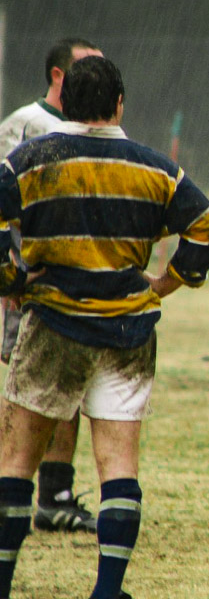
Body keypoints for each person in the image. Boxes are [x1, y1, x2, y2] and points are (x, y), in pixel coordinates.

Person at [0, 55, 209, 599]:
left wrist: (12, 281)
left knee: (17, 460)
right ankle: (107, 591)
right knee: (118, 463)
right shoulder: (154, 168)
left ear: (64, 100)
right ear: (119, 104)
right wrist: (165, 284)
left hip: (53, 323)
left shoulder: (28, 161)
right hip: (128, 331)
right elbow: (208, 230)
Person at [0, 38, 103, 534]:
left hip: (75, 280)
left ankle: (55, 493)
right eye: (90, 68)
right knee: (31, 386)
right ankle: (19, 487)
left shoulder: (89, 127)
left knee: (69, 386)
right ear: (60, 76)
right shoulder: (26, 124)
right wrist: (12, 273)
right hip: (33, 278)